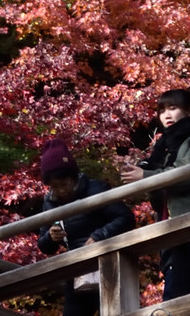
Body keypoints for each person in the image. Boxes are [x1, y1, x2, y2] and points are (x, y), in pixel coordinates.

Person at [35, 139, 135, 316]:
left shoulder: (96, 189)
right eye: (54, 186)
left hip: (108, 263)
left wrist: (99, 235)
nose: (61, 191)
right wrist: (51, 237)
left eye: (64, 184)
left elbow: (126, 218)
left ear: (73, 177)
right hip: (77, 270)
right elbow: (44, 246)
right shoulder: (49, 203)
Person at [120, 88, 190, 301]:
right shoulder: (165, 146)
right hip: (171, 229)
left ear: (187, 110)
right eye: (161, 110)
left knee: (176, 296)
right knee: (174, 295)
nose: (166, 115)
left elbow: (184, 174)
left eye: (173, 108)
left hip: (184, 225)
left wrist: (147, 176)